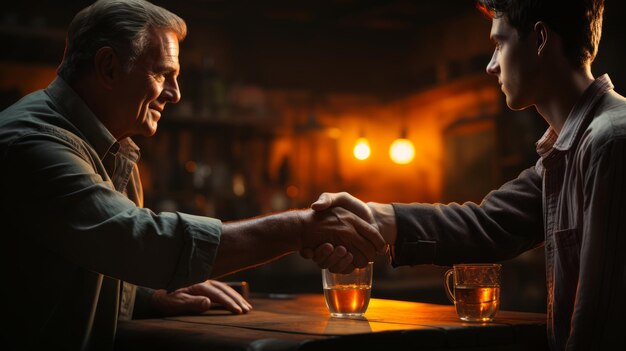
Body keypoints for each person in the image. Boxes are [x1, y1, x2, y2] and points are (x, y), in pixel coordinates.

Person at [0, 1, 385, 350]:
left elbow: (80, 264)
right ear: (108, 67)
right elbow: (140, 242)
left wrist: (149, 296)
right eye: (163, 73)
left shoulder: (110, 149)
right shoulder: (32, 144)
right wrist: (300, 228)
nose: (176, 93)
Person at [308, 0, 626, 350]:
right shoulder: (569, 150)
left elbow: (600, 325)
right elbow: (490, 224)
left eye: (499, 43)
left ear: (539, 40)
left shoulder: (610, 142)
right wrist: (375, 217)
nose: (491, 66)